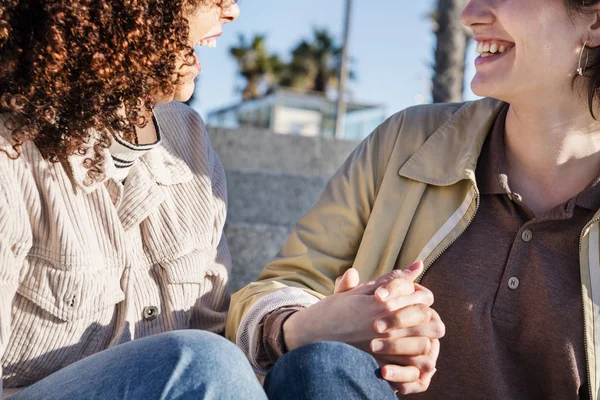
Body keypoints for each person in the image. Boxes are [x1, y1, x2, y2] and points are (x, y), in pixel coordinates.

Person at [227, 0, 600, 398]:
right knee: (321, 366)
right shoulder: (406, 141)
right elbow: (274, 288)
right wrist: (301, 326)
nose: (470, 14)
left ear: (594, 19)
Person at [0, 0, 267, 399]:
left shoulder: (188, 137)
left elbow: (211, 329)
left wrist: (291, 325)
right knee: (205, 363)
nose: (231, 11)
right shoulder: (11, 150)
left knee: (321, 364)